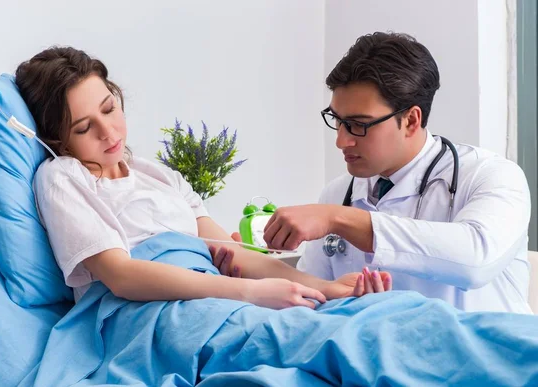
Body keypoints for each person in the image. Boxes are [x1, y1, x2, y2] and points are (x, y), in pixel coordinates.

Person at [15, 46, 390, 308]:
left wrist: (325, 288)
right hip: (148, 313)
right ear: (58, 141)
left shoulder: (157, 176)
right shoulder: (62, 176)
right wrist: (248, 294)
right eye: (84, 128)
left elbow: (239, 256)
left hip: (212, 298)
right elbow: (122, 276)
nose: (108, 132)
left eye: (109, 108)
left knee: (379, 317)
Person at [225, 32, 532, 314]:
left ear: (411, 120)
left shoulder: (492, 176)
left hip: (490, 363)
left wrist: (338, 219)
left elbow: (475, 260)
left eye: (359, 125)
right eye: (338, 120)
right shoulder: (338, 193)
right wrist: (254, 272)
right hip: (385, 363)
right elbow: (310, 299)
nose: (341, 140)